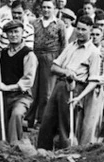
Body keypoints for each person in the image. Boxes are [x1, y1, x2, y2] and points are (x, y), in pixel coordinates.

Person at [37, 16, 100, 150]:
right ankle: (42, 153)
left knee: (66, 126)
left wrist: (80, 97)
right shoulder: (70, 46)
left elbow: (94, 81)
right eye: (78, 28)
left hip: (75, 88)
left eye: (84, 29)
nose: (80, 32)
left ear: (90, 29)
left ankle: (65, 155)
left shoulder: (94, 52)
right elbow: (54, 67)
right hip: (60, 85)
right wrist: (66, 72)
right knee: (47, 121)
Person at [0, 20, 38, 143]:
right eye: (10, 32)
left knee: (16, 115)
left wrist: (7, 88)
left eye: (16, 32)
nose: (13, 35)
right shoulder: (1, 54)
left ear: (22, 33)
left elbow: (27, 81)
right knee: (0, 123)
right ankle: (2, 148)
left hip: (21, 96)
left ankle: (14, 147)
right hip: (3, 96)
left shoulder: (28, 54)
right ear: (6, 35)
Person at [27, 0, 66, 128]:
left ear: (54, 8)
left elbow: (63, 45)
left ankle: (41, 121)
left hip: (51, 57)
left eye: (49, 7)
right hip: (35, 56)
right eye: (44, 7)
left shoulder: (59, 24)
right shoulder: (34, 23)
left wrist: (59, 62)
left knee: (46, 92)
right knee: (33, 89)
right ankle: (29, 119)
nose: (46, 10)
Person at [76, 25, 104, 144]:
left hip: (96, 90)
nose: (94, 37)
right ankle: (75, 146)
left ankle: (86, 147)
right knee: (77, 119)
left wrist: (92, 80)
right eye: (92, 34)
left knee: (90, 122)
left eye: (97, 35)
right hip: (81, 87)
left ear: (101, 37)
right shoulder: (85, 49)